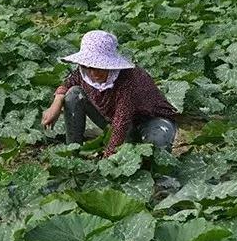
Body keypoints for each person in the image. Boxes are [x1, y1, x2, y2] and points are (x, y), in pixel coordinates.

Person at [41, 30, 178, 157]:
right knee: (74, 94)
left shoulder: (129, 79)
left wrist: (109, 159)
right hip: (114, 121)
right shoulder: (84, 72)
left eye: (100, 67)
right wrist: (56, 104)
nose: (94, 73)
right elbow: (68, 83)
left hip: (150, 121)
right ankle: (72, 152)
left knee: (156, 145)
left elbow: (121, 122)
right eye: (89, 66)